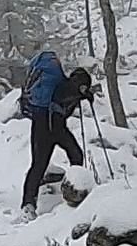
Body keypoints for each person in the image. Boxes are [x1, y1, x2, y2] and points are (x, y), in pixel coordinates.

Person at [18, 49, 89, 214]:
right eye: (84, 87)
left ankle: (28, 204)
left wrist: (84, 95)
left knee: (38, 166)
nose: (84, 90)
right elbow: (69, 96)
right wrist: (83, 95)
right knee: (75, 155)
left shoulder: (64, 85)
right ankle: (76, 191)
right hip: (52, 129)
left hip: (42, 126)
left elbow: (68, 96)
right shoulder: (69, 88)